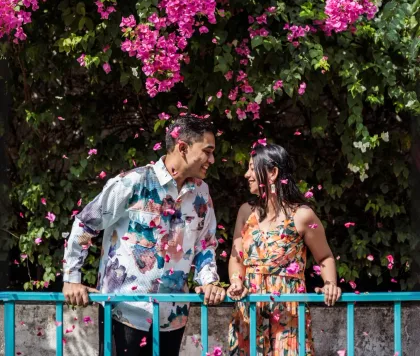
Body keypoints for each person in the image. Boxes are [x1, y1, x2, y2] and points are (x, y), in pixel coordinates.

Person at [63, 115, 226, 356]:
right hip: (124, 313)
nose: (212, 159)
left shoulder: (201, 193)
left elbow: (205, 245)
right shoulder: (134, 182)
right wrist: (71, 278)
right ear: (182, 147)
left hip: (173, 315)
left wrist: (209, 281)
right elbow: (86, 224)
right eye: (207, 151)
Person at [227, 143, 341, 356]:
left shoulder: (302, 215)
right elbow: (236, 258)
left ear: (273, 173)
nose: (246, 175)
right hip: (249, 308)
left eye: (252, 168)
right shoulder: (245, 212)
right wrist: (236, 281)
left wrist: (330, 284)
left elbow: (324, 257)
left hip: (288, 311)